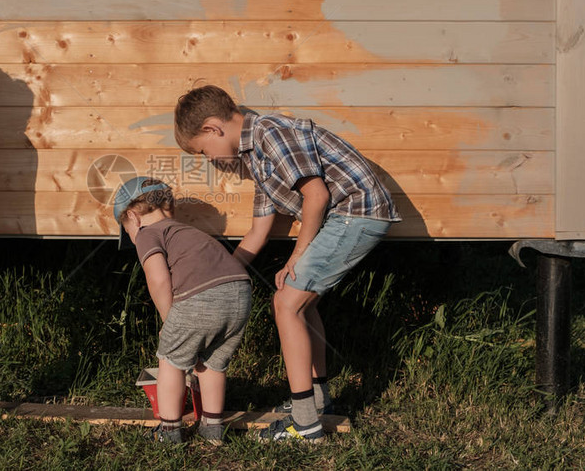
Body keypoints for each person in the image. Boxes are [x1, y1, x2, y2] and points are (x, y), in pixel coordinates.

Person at [174, 85, 401, 442]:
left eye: (203, 151)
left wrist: (296, 256)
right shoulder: (256, 158)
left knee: (286, 302)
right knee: (298, 301)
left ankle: (306, 425)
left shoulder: (270, 134)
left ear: (213, 128)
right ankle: (318, 399)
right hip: (342, 217)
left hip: (357, 211)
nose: (210, 160)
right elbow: (258, 233)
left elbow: (317, 194)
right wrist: (222, 277)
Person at [114, 176, 252, 444]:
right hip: (241, 294)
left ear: (133, 216)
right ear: (169, 207)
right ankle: (212, 428)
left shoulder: (147, 233)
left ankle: (170, 431)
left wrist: (169, 318)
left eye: (127, 230)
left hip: (200, 298)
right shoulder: (188, 232)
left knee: (170, 360)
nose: (132, 238)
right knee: (212, 363)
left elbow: (158, 278)